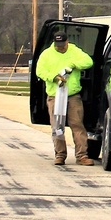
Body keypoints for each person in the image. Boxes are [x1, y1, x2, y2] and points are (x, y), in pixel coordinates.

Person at [36, 30, 95, 166]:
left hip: (72, 95)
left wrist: (74, 64)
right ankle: (60, 155)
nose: (60, 47)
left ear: (67, 41)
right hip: (54, 96)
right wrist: (54, 77)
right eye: (58, 45)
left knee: (77, 125)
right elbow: (40, 71)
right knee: (57, 127)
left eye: (63, 44)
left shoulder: (74, 51)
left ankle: (82, 156)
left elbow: (88, 61)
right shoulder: (47, 54)